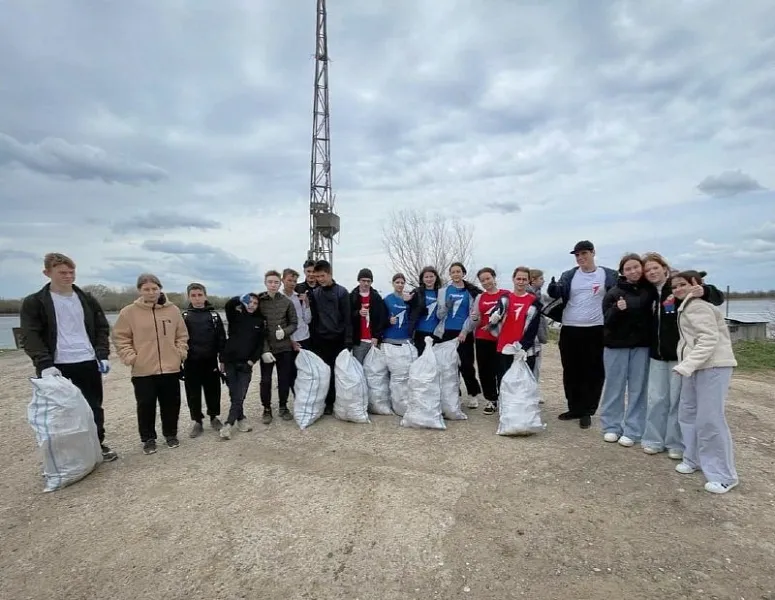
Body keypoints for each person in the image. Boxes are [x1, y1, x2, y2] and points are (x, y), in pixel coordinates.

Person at [20, 252, 118, 462]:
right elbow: (30, 335)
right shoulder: (35, 302)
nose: (68, 276)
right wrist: (44, 363)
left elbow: (101, 328)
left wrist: (102, 354)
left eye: (71, 272)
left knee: (93, 406)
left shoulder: (87, 299)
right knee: (61, 412)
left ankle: (97, 445)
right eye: (62, 272)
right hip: (57, 365)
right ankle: (68, 455)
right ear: (47, 273)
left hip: (87, 360)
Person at [641, 253, 725, 459]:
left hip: (680, 355)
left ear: (664, 267)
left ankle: (675, 443)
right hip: (656, 355)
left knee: (677, 401)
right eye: (647, 270)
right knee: (656, 399)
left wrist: (704, 290)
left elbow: (716, 296)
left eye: (655, 268)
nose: (651, 272)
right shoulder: (648, 292)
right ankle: (653, 439)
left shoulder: (679, 285)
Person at [671, 270, 738, 494]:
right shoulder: (687, 306)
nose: (678, 289)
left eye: (682, 284)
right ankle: (694, 458)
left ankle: (723, 475)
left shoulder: (698, 306)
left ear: (696, 285)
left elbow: (709, 339)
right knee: (688, 413)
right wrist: (688, 365)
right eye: (674, 286)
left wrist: (686, 365)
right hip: (695, 368)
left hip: (713, 366)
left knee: (710, 419)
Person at [113, 273, 188, 455]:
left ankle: (170, 434)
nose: (151, 292)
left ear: (160, 288)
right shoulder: (128, 312)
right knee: (146, 404)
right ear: (140, 290)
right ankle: (148, 438)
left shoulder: (173, 311)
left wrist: (180, 353)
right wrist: (131, 357)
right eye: (146, 289)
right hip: (143, 369)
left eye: (154, 288)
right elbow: (120, 338)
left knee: (171, 403)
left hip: (170, 367)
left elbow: (182, 335)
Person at [547, 240, 618, 429]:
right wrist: (553, 289)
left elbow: (618, 294)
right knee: (571, 370)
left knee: (594, 371)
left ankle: (588, 410)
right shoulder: (570, 275)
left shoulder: (608, 275)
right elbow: (558, 292)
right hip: (570, 328)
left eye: (584, 254)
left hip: (596, 328)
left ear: (593, 253)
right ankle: (574, 408)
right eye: (577, 255)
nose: (580, 258)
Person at [598, 254, 652, 447]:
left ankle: (633, 429)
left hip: (641, 345)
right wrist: (617, 309)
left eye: (636, 267)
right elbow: (607, 320)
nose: (633, 271)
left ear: (641, 268)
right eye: (628, 269)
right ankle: (611, 427)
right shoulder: (614, 292)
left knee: (638, 389)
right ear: (622, 272)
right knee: (615, 387)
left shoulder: (650, 290)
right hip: (616, 346)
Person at [491, 266, 542, 413]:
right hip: (504, 347)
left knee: (523, 381)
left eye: (524, 279)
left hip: (524, 350)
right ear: (513, 279)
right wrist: (494, 316)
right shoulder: (505, 298)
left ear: (529, 281)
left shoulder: (534, 302)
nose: (521, 282)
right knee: (504, 379)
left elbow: (533, 328)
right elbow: (498, 309)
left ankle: (521, 412)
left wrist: (524, 347)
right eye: (518, 278)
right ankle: (506, 412)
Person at [433, 262, 483, 407]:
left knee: (466, 364)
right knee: (450, 365)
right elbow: (439, 314)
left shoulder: (472, 292)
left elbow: (474, 315)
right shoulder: (443, 291)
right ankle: (455, 394)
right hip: (446, 332)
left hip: (464, 332)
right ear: (450, 274)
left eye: (458, 271)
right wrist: (446, 307)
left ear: (463, 273)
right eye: (453, 272)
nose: (455, 274)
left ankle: (473, 394)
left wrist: (465, 331)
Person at [181, 282, 226, 438]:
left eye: (200, 295)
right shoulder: (184, 316)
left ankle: (214, 417)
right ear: (189, 297)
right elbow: (179, 339)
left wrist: (222, 358)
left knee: (213, 390)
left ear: (205, 296)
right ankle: (197, 421)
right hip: (191, 361)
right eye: (193, 295)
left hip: (210, 360)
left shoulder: (213, 316)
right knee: (193, 393)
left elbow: (221, 338)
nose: (197, 298)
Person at [309, 259, 352, 414]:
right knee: (324, 372)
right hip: (322, 339)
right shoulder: (315, 293)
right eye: (317, 277)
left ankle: (338, 401)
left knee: (338, 372)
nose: (319, 279)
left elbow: (347, 318)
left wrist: (348, 339)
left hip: (338, 338)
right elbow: (314, 317)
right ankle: (326, 402)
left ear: (329, 274)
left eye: (322, 276)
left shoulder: (342, 292)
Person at [219, 293, 264, 439]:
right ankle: (241, 418)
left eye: (255, 303)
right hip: (231, 362)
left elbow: (259, 346)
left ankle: (228, 424)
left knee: (240, 394)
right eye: (249, 302)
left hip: (246, 364)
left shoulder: (259, 321)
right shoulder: (235, 316)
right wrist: (241, 297)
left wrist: (251, 361)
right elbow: (229, 304)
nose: (252, 305)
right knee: (234, 394)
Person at [257, 270, 298, 424]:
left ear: (280, 283)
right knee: (266, 380)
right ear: (265, 283)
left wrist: (285, 332)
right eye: (270, 282)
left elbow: (294, 323)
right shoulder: (259, 301)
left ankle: (283, 406)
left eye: (276, 282)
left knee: (284, 379)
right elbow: (257, 327)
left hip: (284, 348)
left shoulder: (287, 302)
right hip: (267, 349)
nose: (273, 285)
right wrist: (264, 349)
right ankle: (266, 409)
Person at [469, 268, 509, 415]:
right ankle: (491, 399)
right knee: (485, 371)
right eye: (482, 280)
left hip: (501, 339)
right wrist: (474, 318)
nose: (486, 282)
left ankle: (504, 399)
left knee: (502, 370)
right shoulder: (480, 297)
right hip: (482, 338)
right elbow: (476, 319)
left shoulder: (505, 295)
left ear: (494, 277)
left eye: (488, 278)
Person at [280, 268, 312, 393]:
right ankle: (296, 396)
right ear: (283, 280)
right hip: (288, 340)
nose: (292, 283)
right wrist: (290, 340)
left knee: (305, 370)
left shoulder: (298, 297)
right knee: (291, 371)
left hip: (304, 337)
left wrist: (307, 303)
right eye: (289, 280)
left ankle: (305, 396)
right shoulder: (279, 299)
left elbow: (307, 319)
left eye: (294, 281)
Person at [349, 268, 387, 363]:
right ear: (359, 281)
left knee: (374, 371)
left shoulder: (376, 297)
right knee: (358, 369)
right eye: (363, 281)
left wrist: (376, 336)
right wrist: (358, 313)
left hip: (373, 340)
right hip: (358, 341)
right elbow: (347, 316)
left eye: (368, 281)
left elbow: (381, 318)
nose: (366, 283)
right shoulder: (352, 296)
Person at [407, 266, 442, 356]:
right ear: (422, 279)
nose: (429, 279)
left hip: (436, 333)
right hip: (420, 332)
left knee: (435, 362)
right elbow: (409, 308)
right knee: (420, 361)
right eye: (426, 277)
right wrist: (407, 301)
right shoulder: (417, 292)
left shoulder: (441, 293)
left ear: (436, 277)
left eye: (431, 276)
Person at [527, 269, 549, 381]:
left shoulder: (540, 295)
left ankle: (532, 393)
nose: (543, 281)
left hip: (537, 337)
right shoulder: (529, 296)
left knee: (535, 366)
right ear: (533, 280)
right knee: (531, 367)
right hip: (530, 338)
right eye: (541, 278)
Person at [382, 273, 412, 345]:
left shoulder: (410, 299)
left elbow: (414, 316)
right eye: (397, 282)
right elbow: (380, 318)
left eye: (402, 283)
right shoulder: (387, 299)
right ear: (393, 283)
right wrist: (388, 320)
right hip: (389, 338)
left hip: (406, 339)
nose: (400, 285)